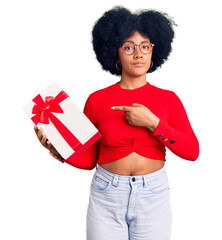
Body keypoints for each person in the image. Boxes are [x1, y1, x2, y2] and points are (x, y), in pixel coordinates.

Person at [34, 6, 199, 240]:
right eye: (129, 47)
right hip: (106, 196)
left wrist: (153, 123)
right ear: (115, 53)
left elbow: (192, 151)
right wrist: (59, 150)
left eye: (145, 46)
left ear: (154, 52)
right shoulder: (96, 100)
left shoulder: (168, 99)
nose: (138, 54)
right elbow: (90, 159)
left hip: (153, 196)